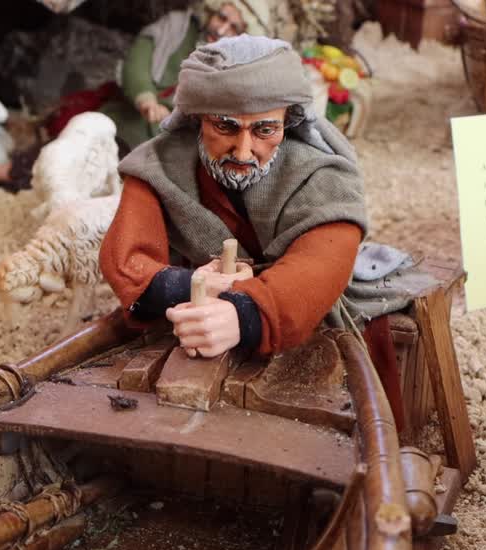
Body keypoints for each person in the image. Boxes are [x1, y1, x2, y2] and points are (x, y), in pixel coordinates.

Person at [99, 34, 368, 360]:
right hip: (181, 320)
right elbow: (126, 260)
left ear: (288, 122)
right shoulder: (157, 168)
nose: (243, 152)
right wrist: (192, 284)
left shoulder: (318, 175)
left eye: (265, 130)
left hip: (295, 325)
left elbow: (323, 262)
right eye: (225, 127)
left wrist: (245, 313)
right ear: (198, 119)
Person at [100, 0, 248, 153]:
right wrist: (147, 101)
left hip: (170, 151)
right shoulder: (176, 25)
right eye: (221, 18)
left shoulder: (234, 74)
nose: (221, 30)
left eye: (234, 28)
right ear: (211, 12)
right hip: (125, 124)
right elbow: (137, 63)